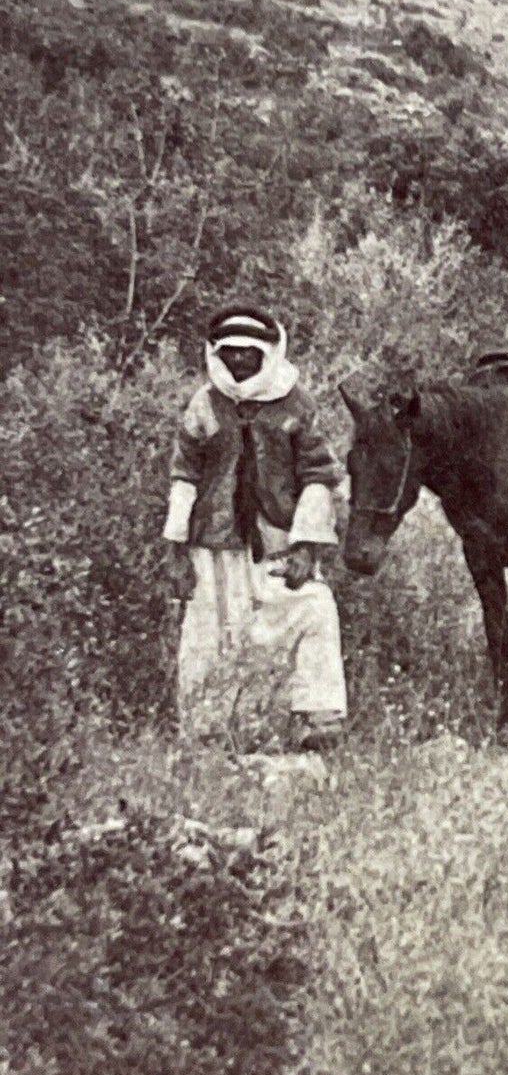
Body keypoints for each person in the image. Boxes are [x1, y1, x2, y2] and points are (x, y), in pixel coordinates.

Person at [162, 306, 348, 752]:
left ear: (268, 352)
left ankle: (315, 718)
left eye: (249, 354)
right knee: (214, 628)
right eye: (230, 354)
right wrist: (175, 547)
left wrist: (307, 546)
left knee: (311, 607)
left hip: (280, 541)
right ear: (215, 354)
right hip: (214, 543)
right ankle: (213, 733)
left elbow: (319, 474)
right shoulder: (204, 404)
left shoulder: (296, 402)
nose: (240, 363)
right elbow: (184, 473)